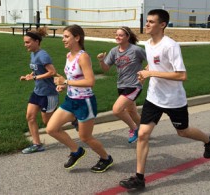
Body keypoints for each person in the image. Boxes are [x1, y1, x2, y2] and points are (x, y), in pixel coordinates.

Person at [119, 9, 210, 189]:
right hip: (154, 97)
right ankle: (139, 178)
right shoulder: (148, 44)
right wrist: (146, 71)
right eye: (146, 21)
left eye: (151, 22)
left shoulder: (170, 45)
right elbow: (155, 64)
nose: (146, 24)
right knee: (142, 134)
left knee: (183, 132)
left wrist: (151, 72)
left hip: (174, 100)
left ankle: (209, 141)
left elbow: (181, 75)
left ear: (162, 24)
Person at [46, 24, 113, 173]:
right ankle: (76, 151)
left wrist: (66, 82)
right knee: (51, 128)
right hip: (71, 100)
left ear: (77, 38)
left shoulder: (83, 57)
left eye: (66, 36)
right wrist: (64, 86)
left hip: (85, 102)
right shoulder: (69, 55)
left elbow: (90, 82)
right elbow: (71, 78)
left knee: (85, 137)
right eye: (63, 36)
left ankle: (105, 158)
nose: (63, 39)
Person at [97, 26, 146, 143]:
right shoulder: (114, 51)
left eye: (120, 35)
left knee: (117, 110)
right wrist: (101, 60)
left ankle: (134, 129)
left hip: (134, 85)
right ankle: (145, 131)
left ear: (127, 37)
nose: (117, 37)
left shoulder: (136, 50)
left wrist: (145, 73)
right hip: (121, 85)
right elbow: (105, 69)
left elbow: (152, 61)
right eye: (116, 35)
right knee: (132, 112)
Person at [20, 28, 58, 154]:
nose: (25, 45)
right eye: (25, 42)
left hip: (48, 93)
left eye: (28, 42)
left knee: (48, 122)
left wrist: (35, 77)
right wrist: (30, 75)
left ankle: (73, 118)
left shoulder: (43, 55)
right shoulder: (33, 54)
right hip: (38, 91)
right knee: (30, 117)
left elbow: (52, 72)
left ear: (36, 41)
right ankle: (37, 144)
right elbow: (37, 69)